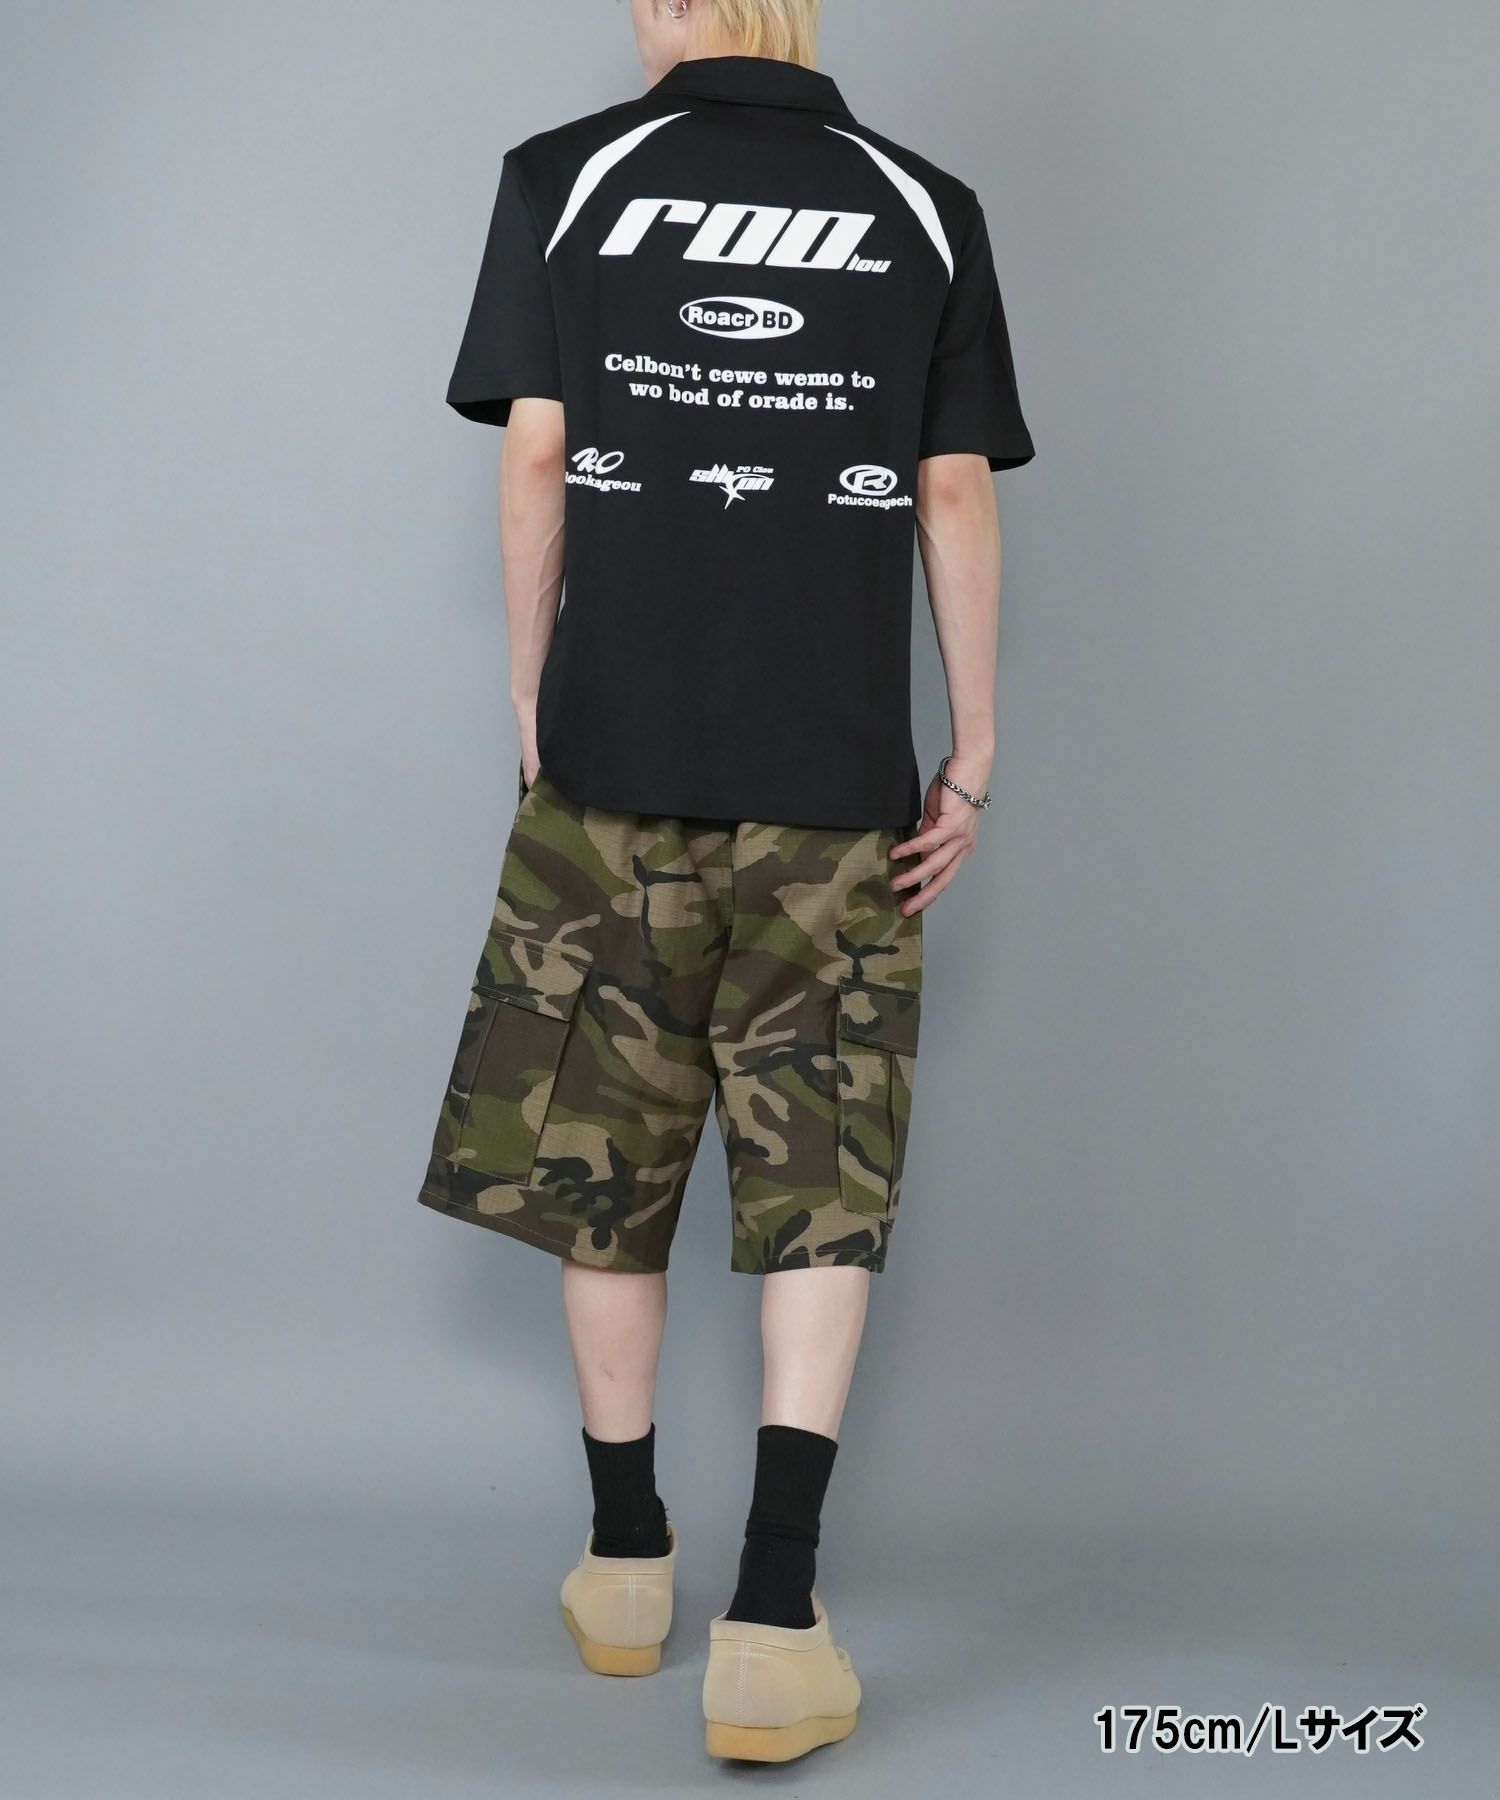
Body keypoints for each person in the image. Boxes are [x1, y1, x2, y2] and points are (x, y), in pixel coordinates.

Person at [420, 0, 1033, 1763]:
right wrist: (970, 750)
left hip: (610, 772)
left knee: (597, 1167)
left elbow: (538, 452)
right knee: (820, 1183)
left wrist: (532, 691)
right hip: (836, 796)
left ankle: (626, 1565)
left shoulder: (564, 177)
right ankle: (773, 1616)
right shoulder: (923, 204)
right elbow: (952, 493)